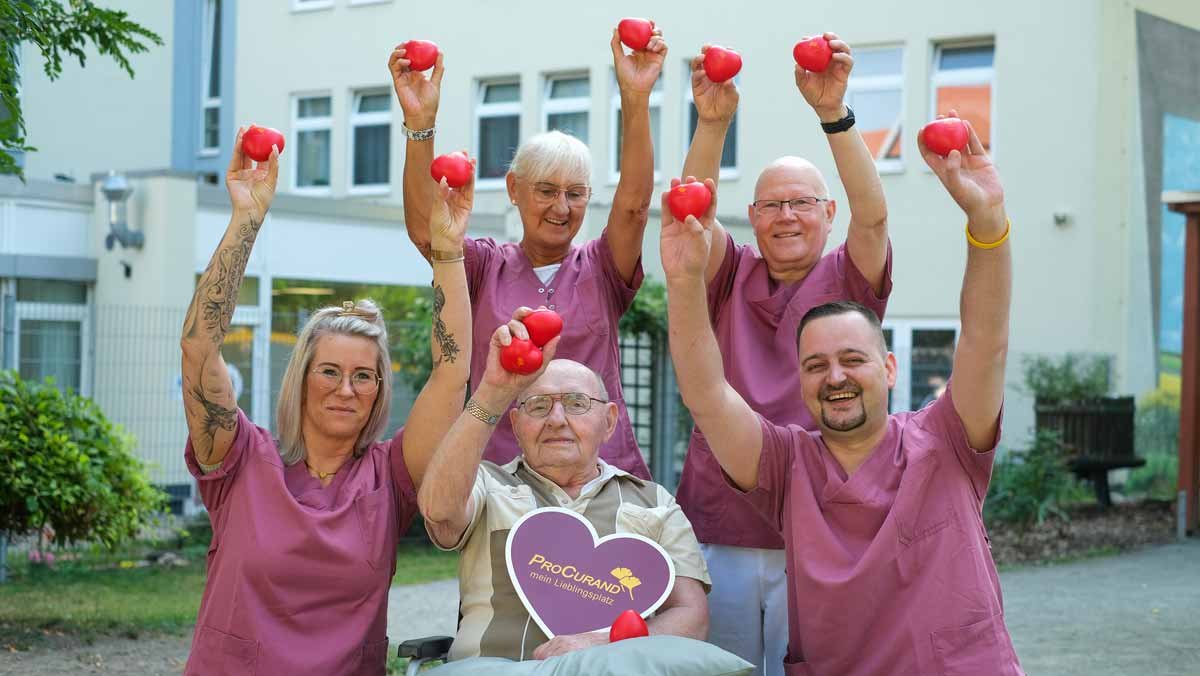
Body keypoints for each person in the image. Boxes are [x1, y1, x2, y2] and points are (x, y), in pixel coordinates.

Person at [660, 114, 1023, 675]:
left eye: (853, 360)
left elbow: (986, 340)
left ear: (890, 367)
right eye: (815, 365)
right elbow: (706, 392)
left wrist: (988, 220)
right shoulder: (791, 467)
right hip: (730, 523)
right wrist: (683, 280)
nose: (834, 377)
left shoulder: (944, 442)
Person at [179, 128, 476, 675]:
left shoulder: (391, 477)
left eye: (364, 376)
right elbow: (200, 348)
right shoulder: (239, 459)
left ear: (380, 389)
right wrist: (246, 218)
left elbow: (452, 370)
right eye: (330, 372)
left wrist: (447, 250)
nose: (346, 389)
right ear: (302, 378)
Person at [673, 36, 892, 674]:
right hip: (722, 522)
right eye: (771, 205)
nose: (786, 216)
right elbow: (691, 212)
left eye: (802, 203)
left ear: (829, 213)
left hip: (820, 521)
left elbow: (874, 220)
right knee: (717, 668)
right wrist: (712, 122)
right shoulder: (730, 273)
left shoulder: (848, 280)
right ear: (752, 215)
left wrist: (834, 113)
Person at [388, 25, 669, 479]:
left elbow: (634, 208)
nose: (562, 208)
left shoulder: (601, 267)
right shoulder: (484, 266)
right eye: (546, 191)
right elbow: (427, 232)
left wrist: (635, 97)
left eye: (575, 194)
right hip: (502, 480)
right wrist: (420, 124)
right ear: (514, 189)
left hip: (599, 477)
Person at [418, 326, 711, 662]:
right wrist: (491, 393)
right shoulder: (484, 484)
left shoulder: (655, 503)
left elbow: (692, 617)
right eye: (538, 406)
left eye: (576, 403)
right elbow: (438, 510)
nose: (556, 419)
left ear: (609, 421)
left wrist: (603, 643)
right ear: (516, 425)